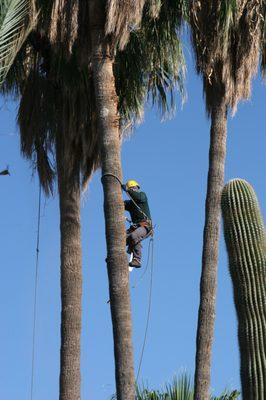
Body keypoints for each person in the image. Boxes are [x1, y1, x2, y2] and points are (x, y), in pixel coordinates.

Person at [122, 179, 152, 269]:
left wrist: (127, 190)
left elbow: (137, 197)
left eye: (135, 188)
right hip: (135, 227)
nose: (134, 190)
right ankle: (114, 256)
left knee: (134, 235)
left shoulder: (142, 196)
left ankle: (137, 259)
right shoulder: (130, 204)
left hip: (145, 226)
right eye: (132, 188)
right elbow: (119, 204)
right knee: (120, 239)